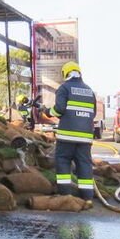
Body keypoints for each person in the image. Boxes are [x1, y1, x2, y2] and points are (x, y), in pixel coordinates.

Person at [34, 61, 96, 205]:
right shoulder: (89, 90)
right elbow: (92, 113)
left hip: (67, 136)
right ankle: (87, 198)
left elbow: (59, 109)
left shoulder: (64, 88)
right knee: (84, 165)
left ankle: (65, 195)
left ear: (65, 73)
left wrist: (48, 112)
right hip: (85, 138)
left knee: (63, 162)